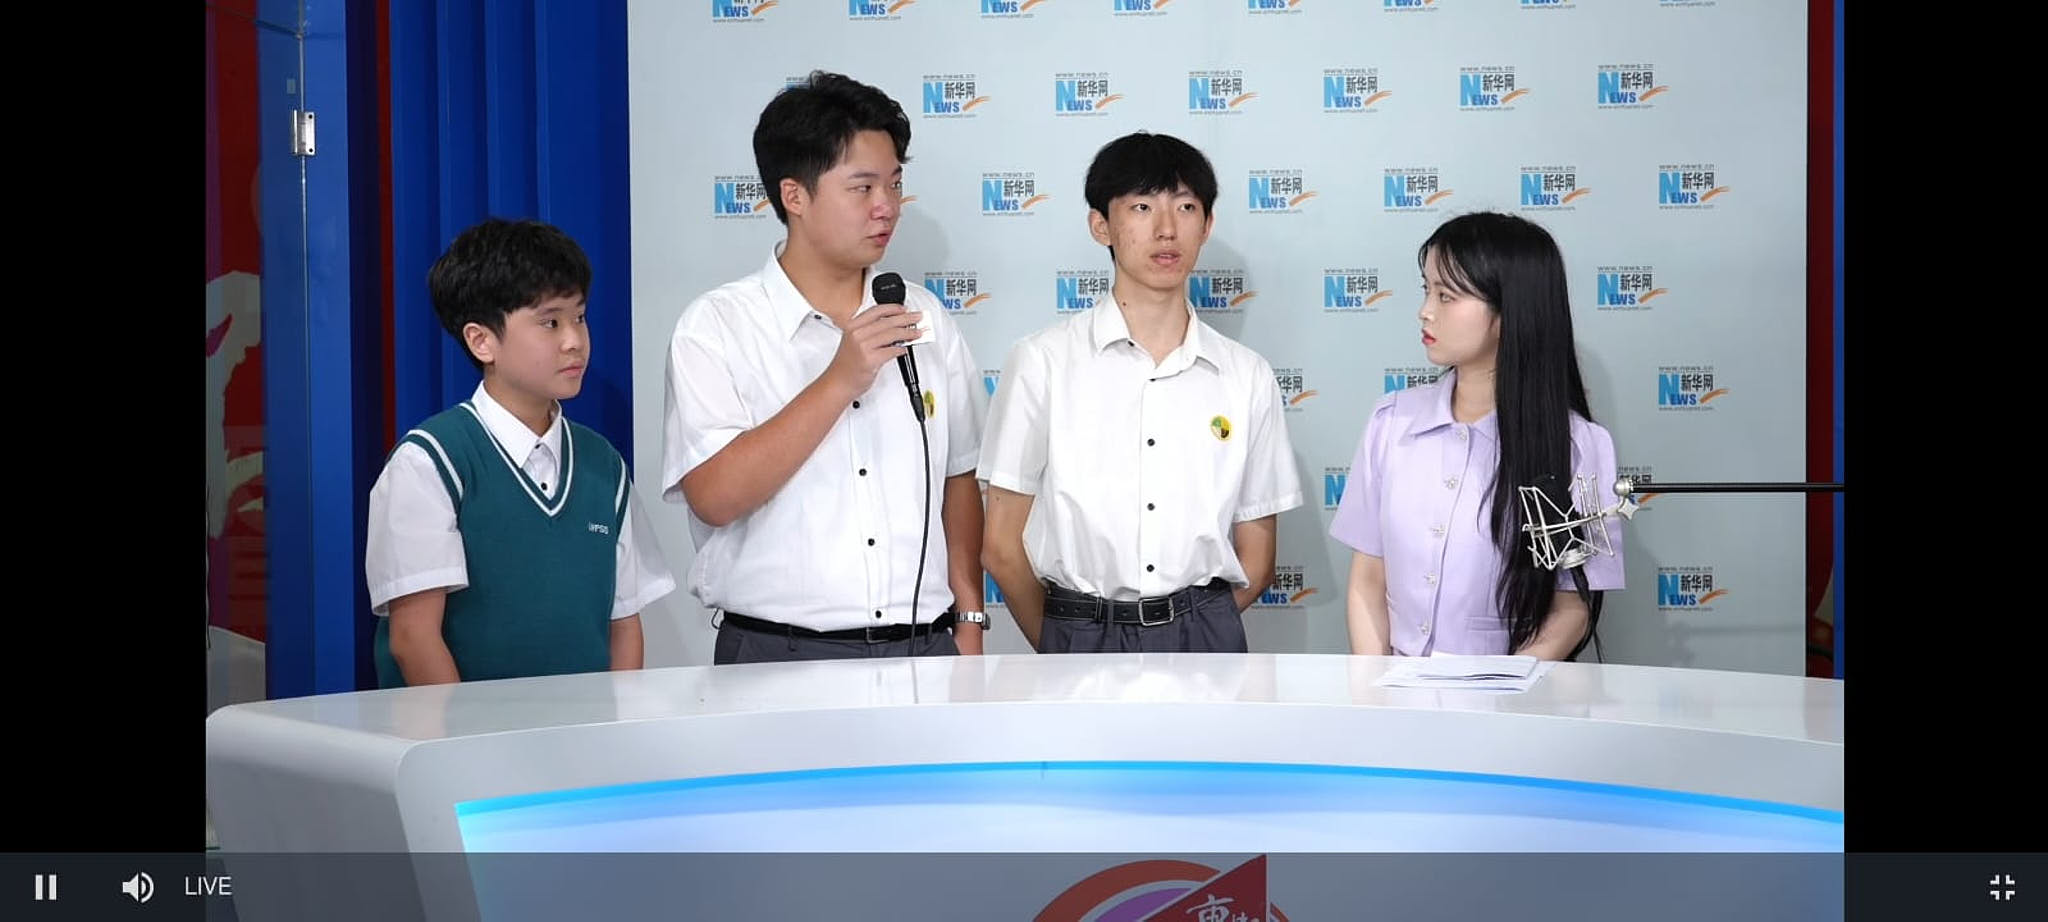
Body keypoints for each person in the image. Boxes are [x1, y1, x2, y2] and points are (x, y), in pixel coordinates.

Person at [662, 71, 988, 664]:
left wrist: (968, 620)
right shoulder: (717, 326)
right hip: (776, 652)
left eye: (894, 184)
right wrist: (840, 380)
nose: (887, 207)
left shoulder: (926, 319)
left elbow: (958, 479)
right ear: (794, 196)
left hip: (924, 648)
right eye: (862, 187)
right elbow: (714, 496)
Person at [979, 131, 1302, 653]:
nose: (1167, 228)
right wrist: (1067, 641)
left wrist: (1194, 626)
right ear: (1101, 225)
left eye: (1186, 207)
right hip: (1079, 633)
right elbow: (1000, 546)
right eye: (1142, 207)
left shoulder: (1246, 375)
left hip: (1204, 635)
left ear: (1207, 224)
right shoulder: (1043, 361)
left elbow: (1259, 558)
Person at [367, 217, 676, 686]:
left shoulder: (603, 464)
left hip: (586, 729)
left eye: (579, 317)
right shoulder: (430, 462)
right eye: (550, 322)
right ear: (481, 340)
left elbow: (624, 625)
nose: (574, 341)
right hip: (467, 729)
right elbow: (413, 639)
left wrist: (620, 720)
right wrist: (468, 733)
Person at [1329, 211, 1622, 660]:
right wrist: (1375, 685)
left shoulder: (1577, 448)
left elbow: (1571, 607)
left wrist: (1502, 686)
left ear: (1510, 310)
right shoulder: (1392, 422)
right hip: (1395, 690)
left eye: (1446, 296)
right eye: (1427, 290)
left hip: (1510, 695)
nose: (1425, 311)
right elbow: (1367, 579)